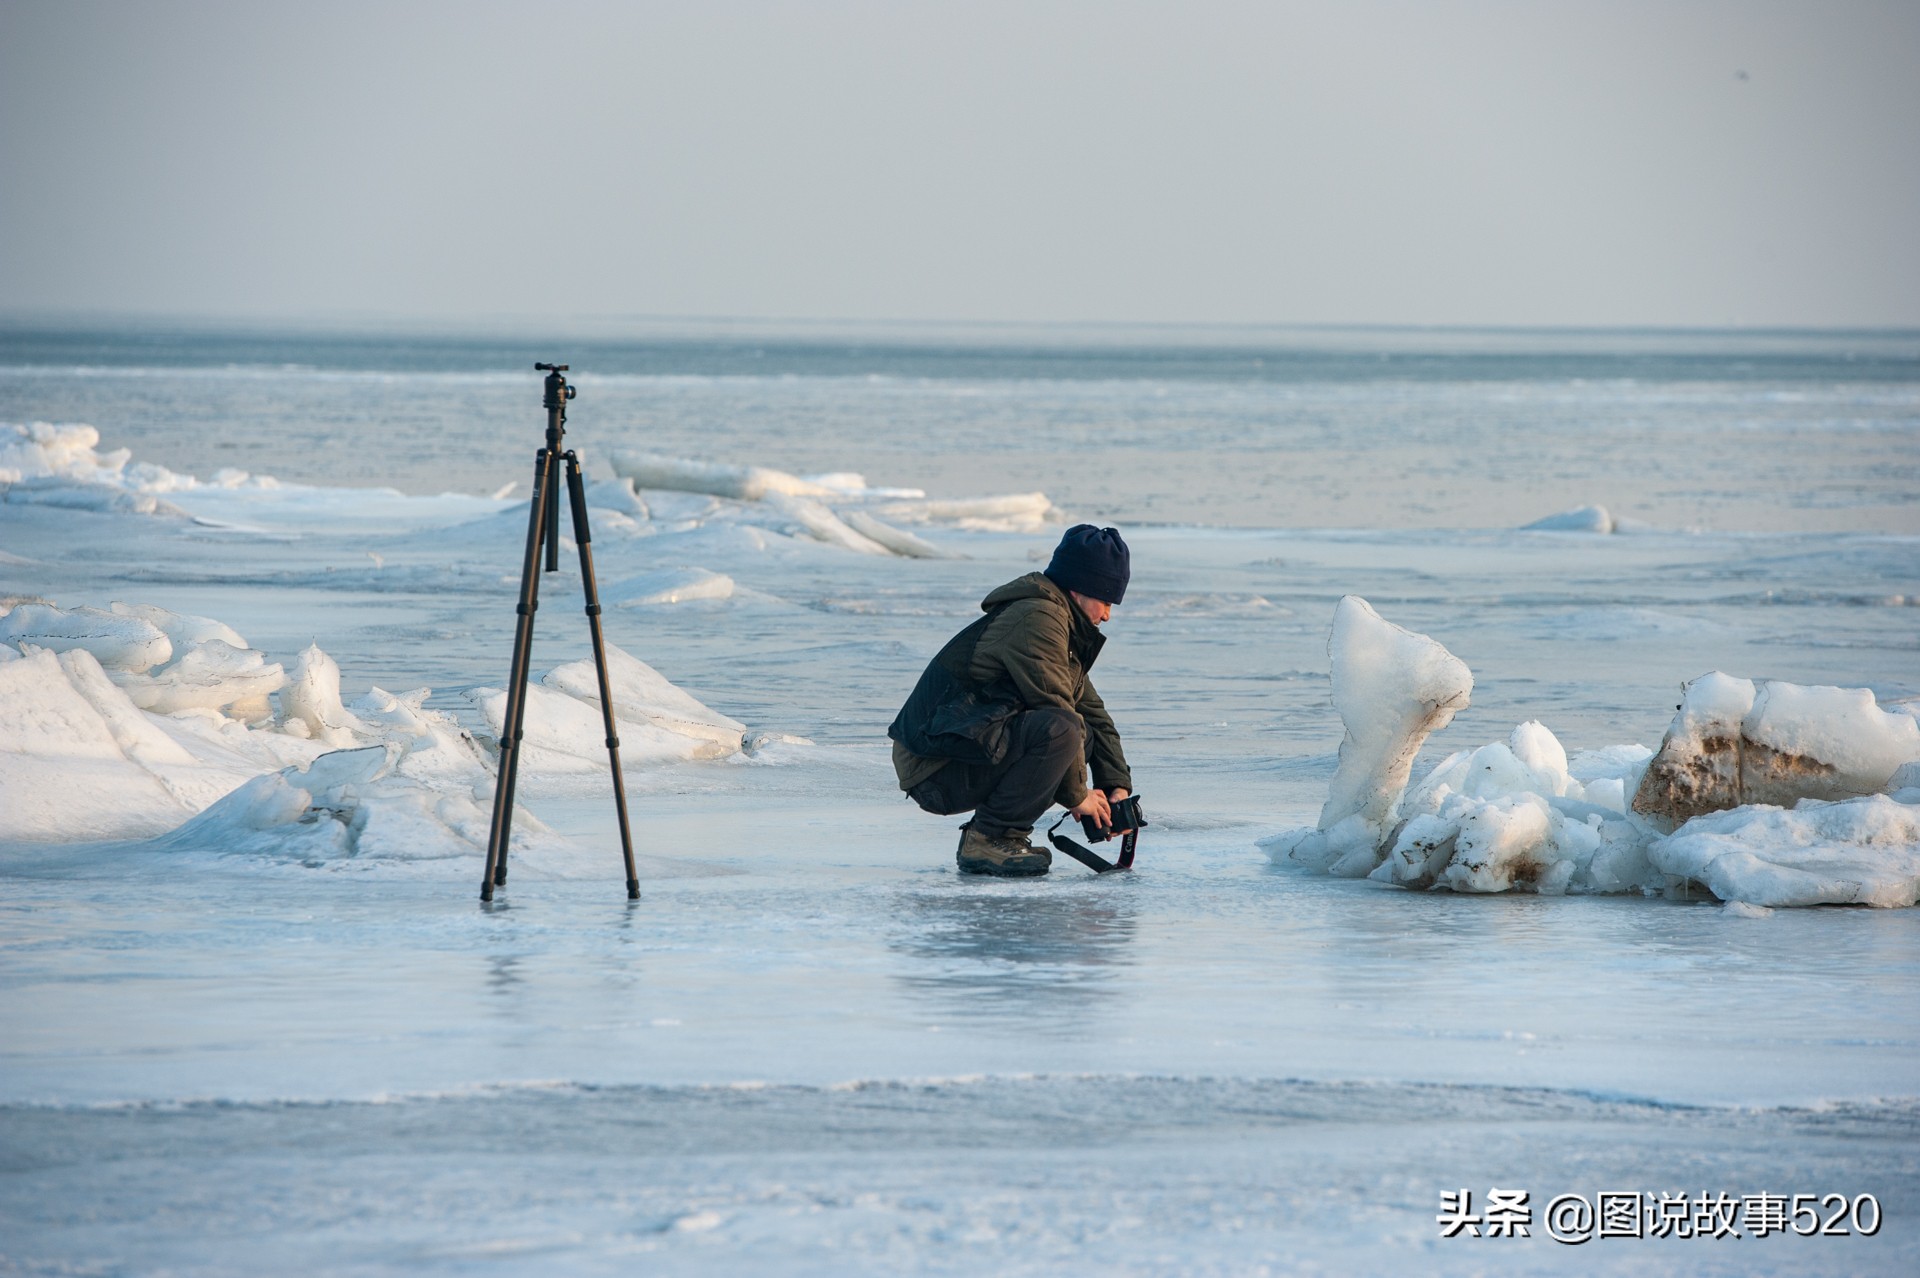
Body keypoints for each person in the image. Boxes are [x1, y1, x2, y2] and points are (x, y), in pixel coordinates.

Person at [888, 524, 1134, 876]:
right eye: (1106, 601)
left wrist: (1115, 788)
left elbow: (1091, 712)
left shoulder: (1061, 624)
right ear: (1081, 587)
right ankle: (989, 838)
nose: (1107, 615)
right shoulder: (1038, 619)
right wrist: (1078, 796)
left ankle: (1003, 835)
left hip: (966, 747)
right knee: (1062, 729)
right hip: (933, 768)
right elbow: (1058, 709)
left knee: (1082, 733)